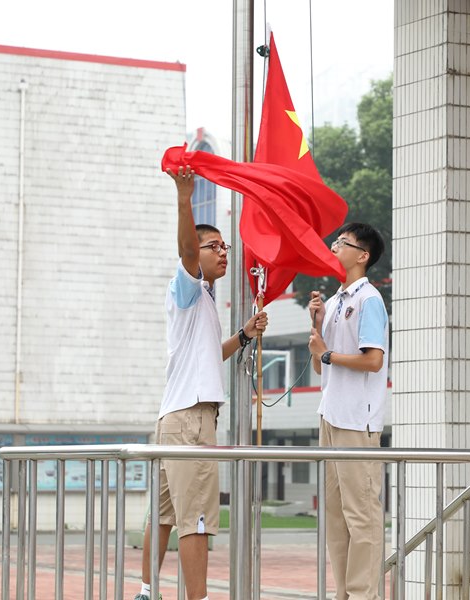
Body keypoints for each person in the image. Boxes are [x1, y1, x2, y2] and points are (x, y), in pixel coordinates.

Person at [136, 165, 268, 600]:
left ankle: (145, 591)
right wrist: (184, 198)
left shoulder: (205, 299)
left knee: (164, 515)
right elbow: (187, 249)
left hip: (174, 418)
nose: (223, 253)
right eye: (216, 247)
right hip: (192, 419)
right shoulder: (188, 284)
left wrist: (245, 334)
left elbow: (212, 353)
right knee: (195, 518)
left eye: (225, 246)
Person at [308, 222, 388, 600]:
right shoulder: (337, 300)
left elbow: (372, 361)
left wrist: (326, 353)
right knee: (336, 516)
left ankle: (362, 594)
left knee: (362, 516)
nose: (334, 247)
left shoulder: (369, 300)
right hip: (331, 415)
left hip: (357, 420)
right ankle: (343, 592)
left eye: (342, 243)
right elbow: (321, 366)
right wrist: (317, 327)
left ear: (362, 256)